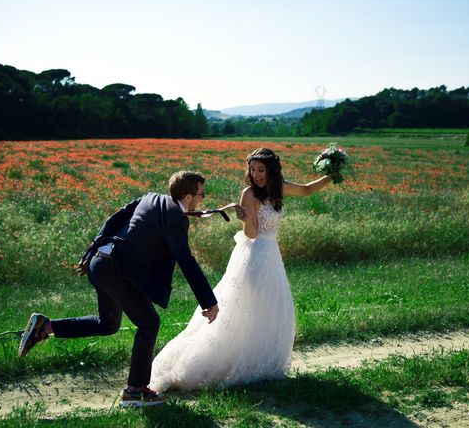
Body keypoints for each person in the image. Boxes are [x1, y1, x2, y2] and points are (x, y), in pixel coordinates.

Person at [18, 171, 242, 407]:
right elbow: (186, 260)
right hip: (114, 271)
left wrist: (90, 251)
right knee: (149, 323)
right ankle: (135, 391)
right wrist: (209, 302)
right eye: (201, 194)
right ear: (187, 196)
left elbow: (114, 219)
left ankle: (46, 326)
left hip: (101, 263)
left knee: (108, 324)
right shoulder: (176, 217)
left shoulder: (149, 198)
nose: (202, 199)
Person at [150, 148, 332, 392]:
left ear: (271, 170)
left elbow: (308, 189)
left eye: (261, 170)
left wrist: (333, 173)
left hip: (272, 256)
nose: (256, 175)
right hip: (254, 255)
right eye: (252, 169)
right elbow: (252, 234)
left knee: (273, 308)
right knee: (243, 309)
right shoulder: (249, 194)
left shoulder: (279, 187)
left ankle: (263, 364)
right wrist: (247, 219)